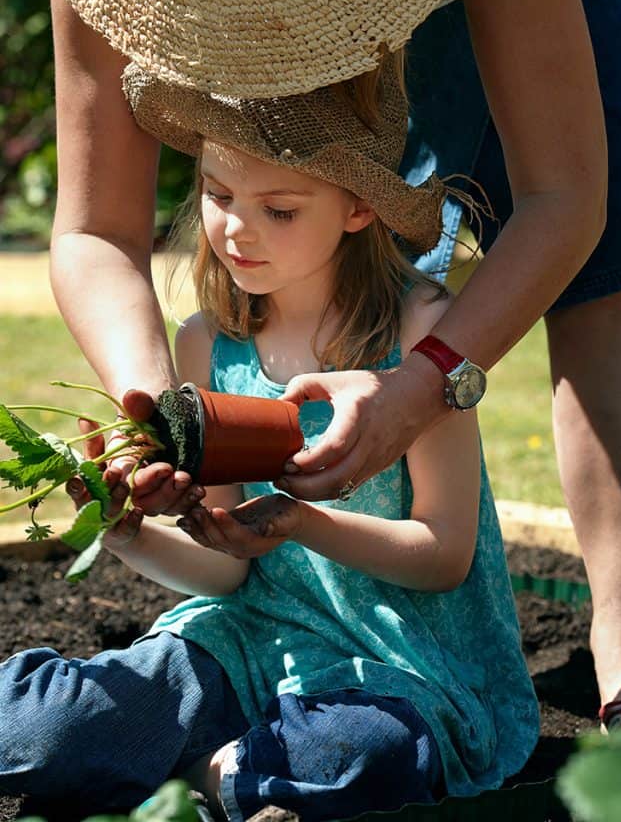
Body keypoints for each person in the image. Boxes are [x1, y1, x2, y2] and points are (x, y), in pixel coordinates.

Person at [32, 0, 621, 725]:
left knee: (607, 268)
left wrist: (423, 387)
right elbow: (95, 231)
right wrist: (160, 417)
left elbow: (564, 200)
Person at [0, 63, 539, 820]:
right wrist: (126, 536)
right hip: (246, 640)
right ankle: (228, 774)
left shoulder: (418, 334)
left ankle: (191, 769)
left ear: (356, 207)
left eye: (278, 210)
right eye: (218, 196)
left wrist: (304, 523)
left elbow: (445, 555)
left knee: (362, 754)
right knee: (38, 728)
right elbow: (224, 575)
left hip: (398, 661)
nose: (235, 229)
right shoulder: (205, 346)